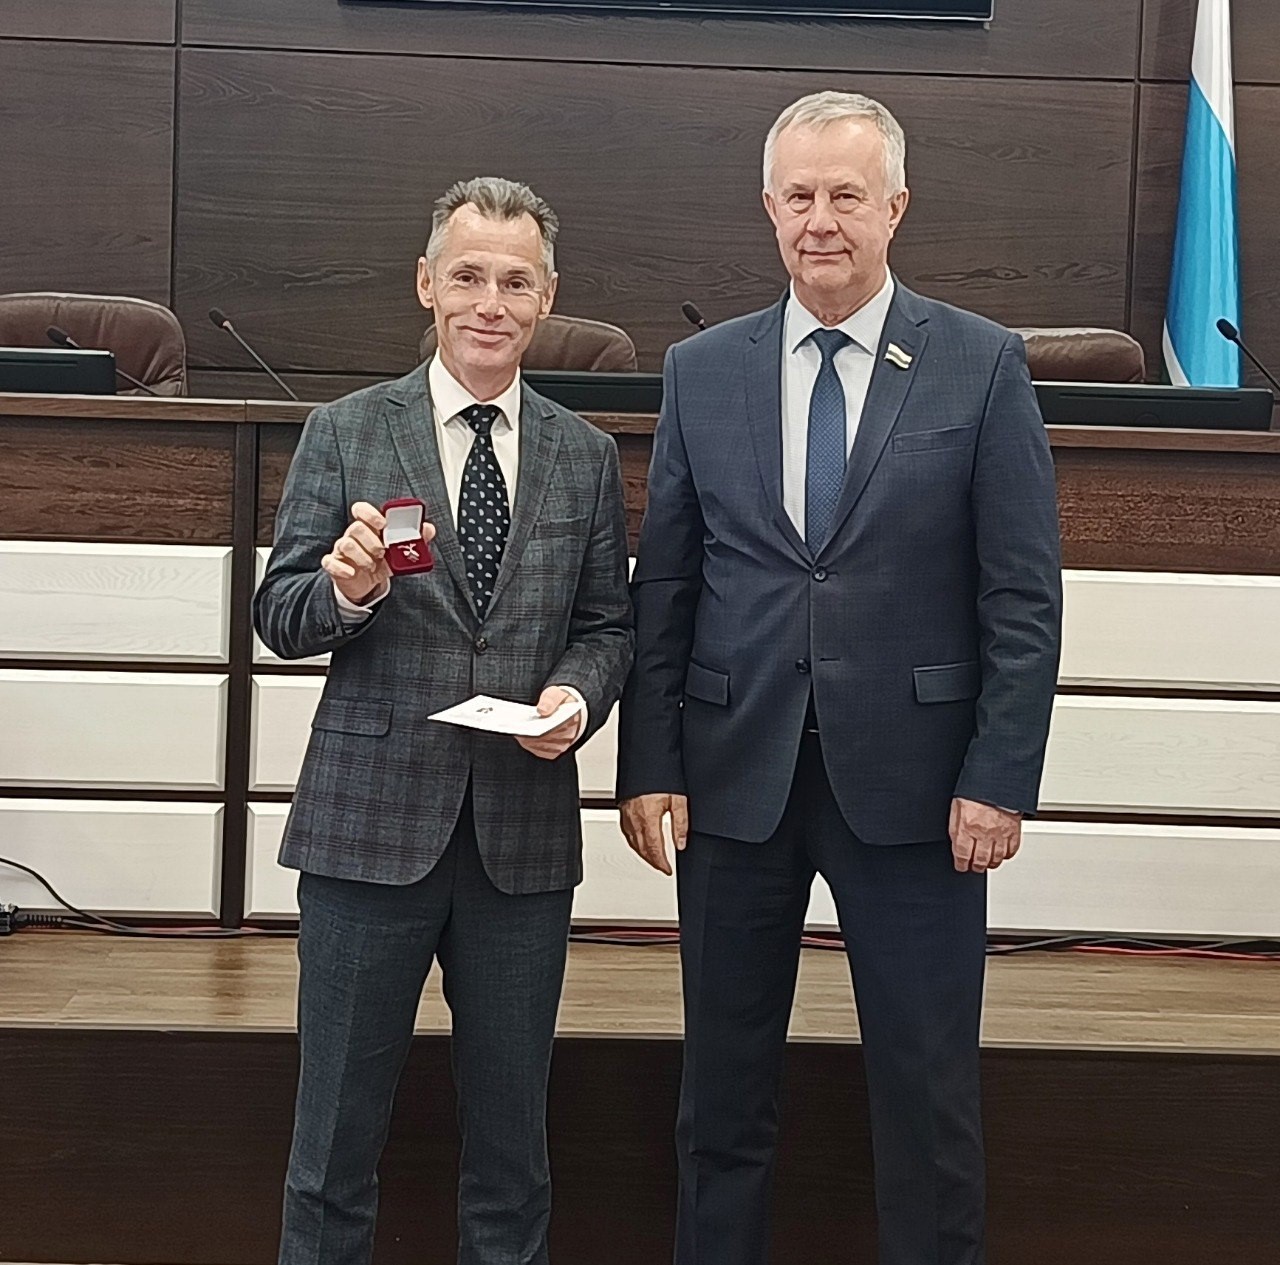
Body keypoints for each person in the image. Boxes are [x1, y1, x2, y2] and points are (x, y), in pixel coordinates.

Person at [617, 91, 1062, 1265]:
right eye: (800, 195)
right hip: (733, 780)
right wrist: (649, 761)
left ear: (894, 208)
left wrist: (998, 774)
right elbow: (667, 583)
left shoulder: (978, 363)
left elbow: (1019, 594)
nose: (821, 219)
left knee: (926, 1093)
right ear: (768, 207)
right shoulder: (701, 369)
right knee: (720, 1095)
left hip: (917, 792)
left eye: (846, 195)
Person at [255, 176, 633, 1265]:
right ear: (426, 283)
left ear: (547, 296)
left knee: (512, 1155)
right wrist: (348, 593)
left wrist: (576, 697)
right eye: (467, 275)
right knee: (331, 1146)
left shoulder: (584, 454)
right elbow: (280, 613)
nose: (490, 303)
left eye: (515, 282)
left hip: (519, 841)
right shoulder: (343, 431)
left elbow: (607, 625)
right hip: (366, 833)